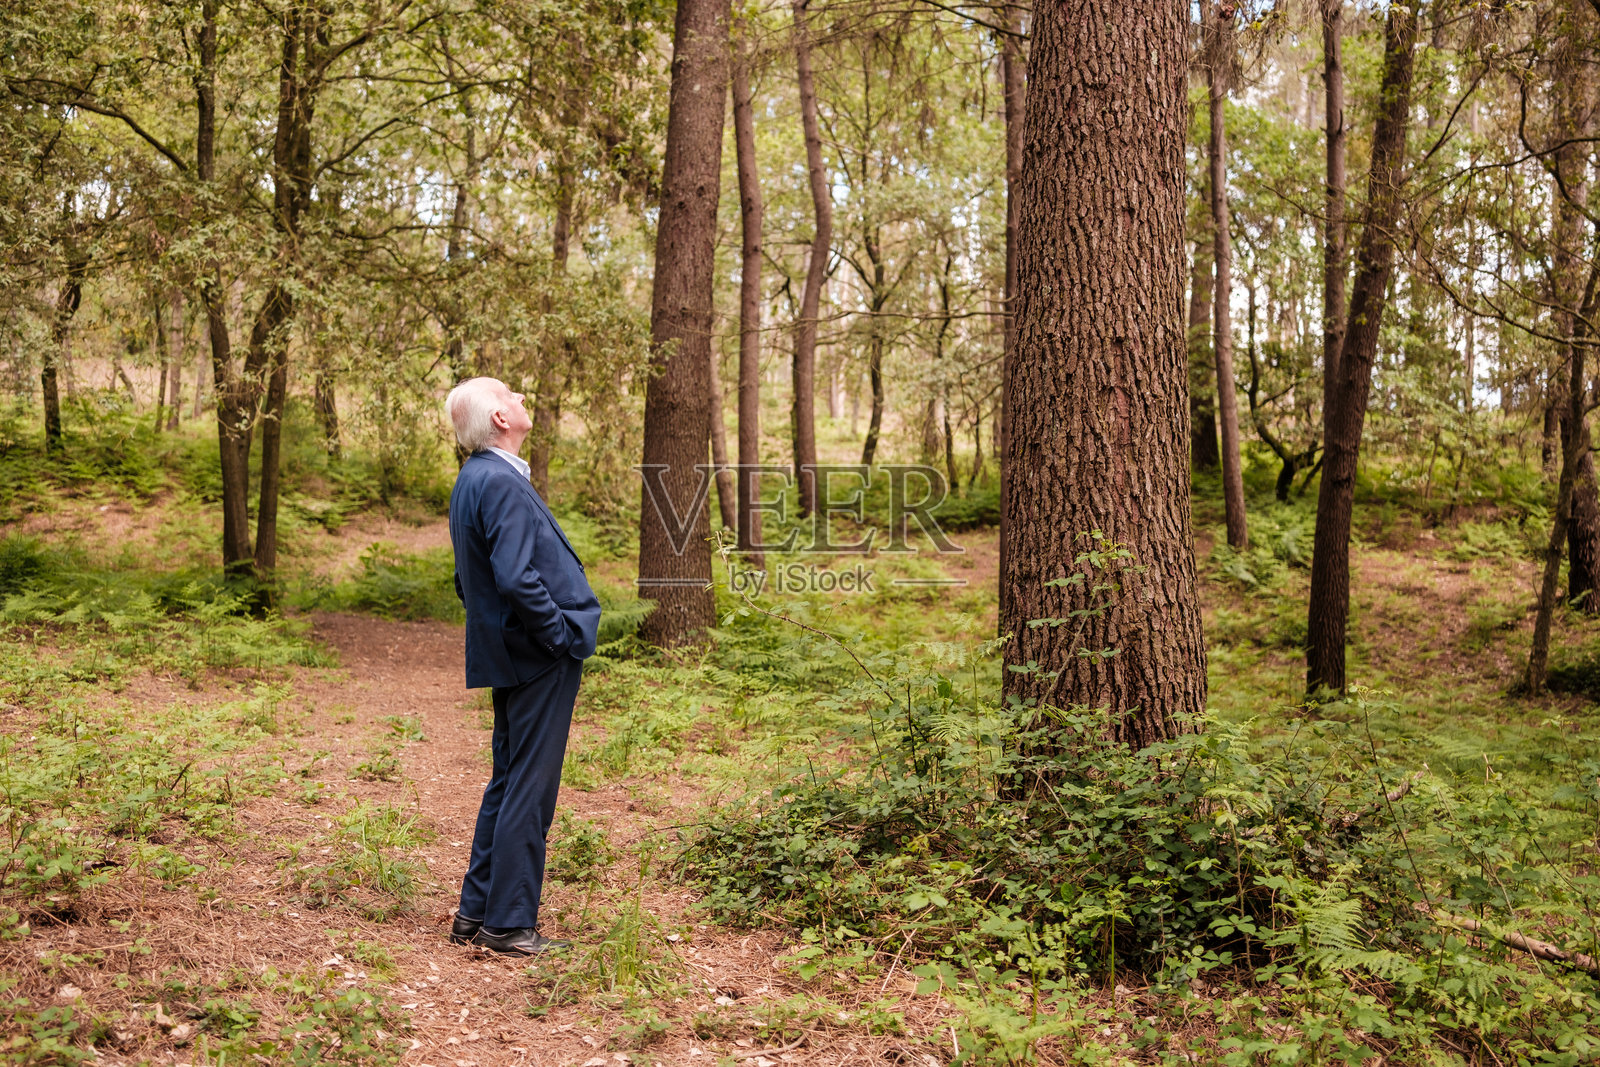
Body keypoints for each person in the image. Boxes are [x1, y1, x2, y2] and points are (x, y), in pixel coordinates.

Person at [443, 376, 602, 956]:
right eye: (512, 395)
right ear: (499, 419)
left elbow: (468, 579)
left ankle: (475, 913)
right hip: (537, 654)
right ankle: (509, 923)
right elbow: (512, 576)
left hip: (510, 650)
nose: (524, 399)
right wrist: (557, 634)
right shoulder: (498, 481)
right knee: (529, 788)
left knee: (509, 780)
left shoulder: (474, 479)